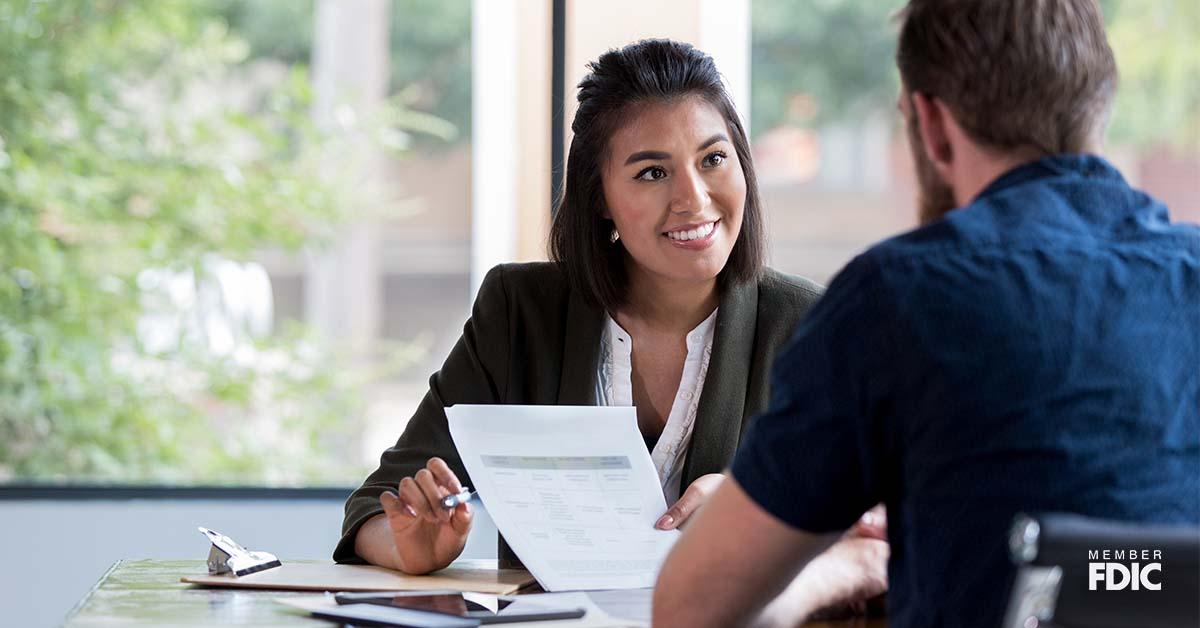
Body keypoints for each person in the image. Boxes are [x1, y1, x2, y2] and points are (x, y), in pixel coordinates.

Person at [653, 1, 1200, 627]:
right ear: (1099, 101)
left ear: (931, 124)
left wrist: (843, 563)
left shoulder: (898, 298)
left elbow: (689, 608)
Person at [335, 39, 885, 616]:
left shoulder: (811, 326)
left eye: (713, 159)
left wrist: (760, 508)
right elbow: (376, 505)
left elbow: (877, 526)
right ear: (600, 198)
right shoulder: (520, 312)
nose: (693, 199)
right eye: (652, 172)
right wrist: (408, 546)